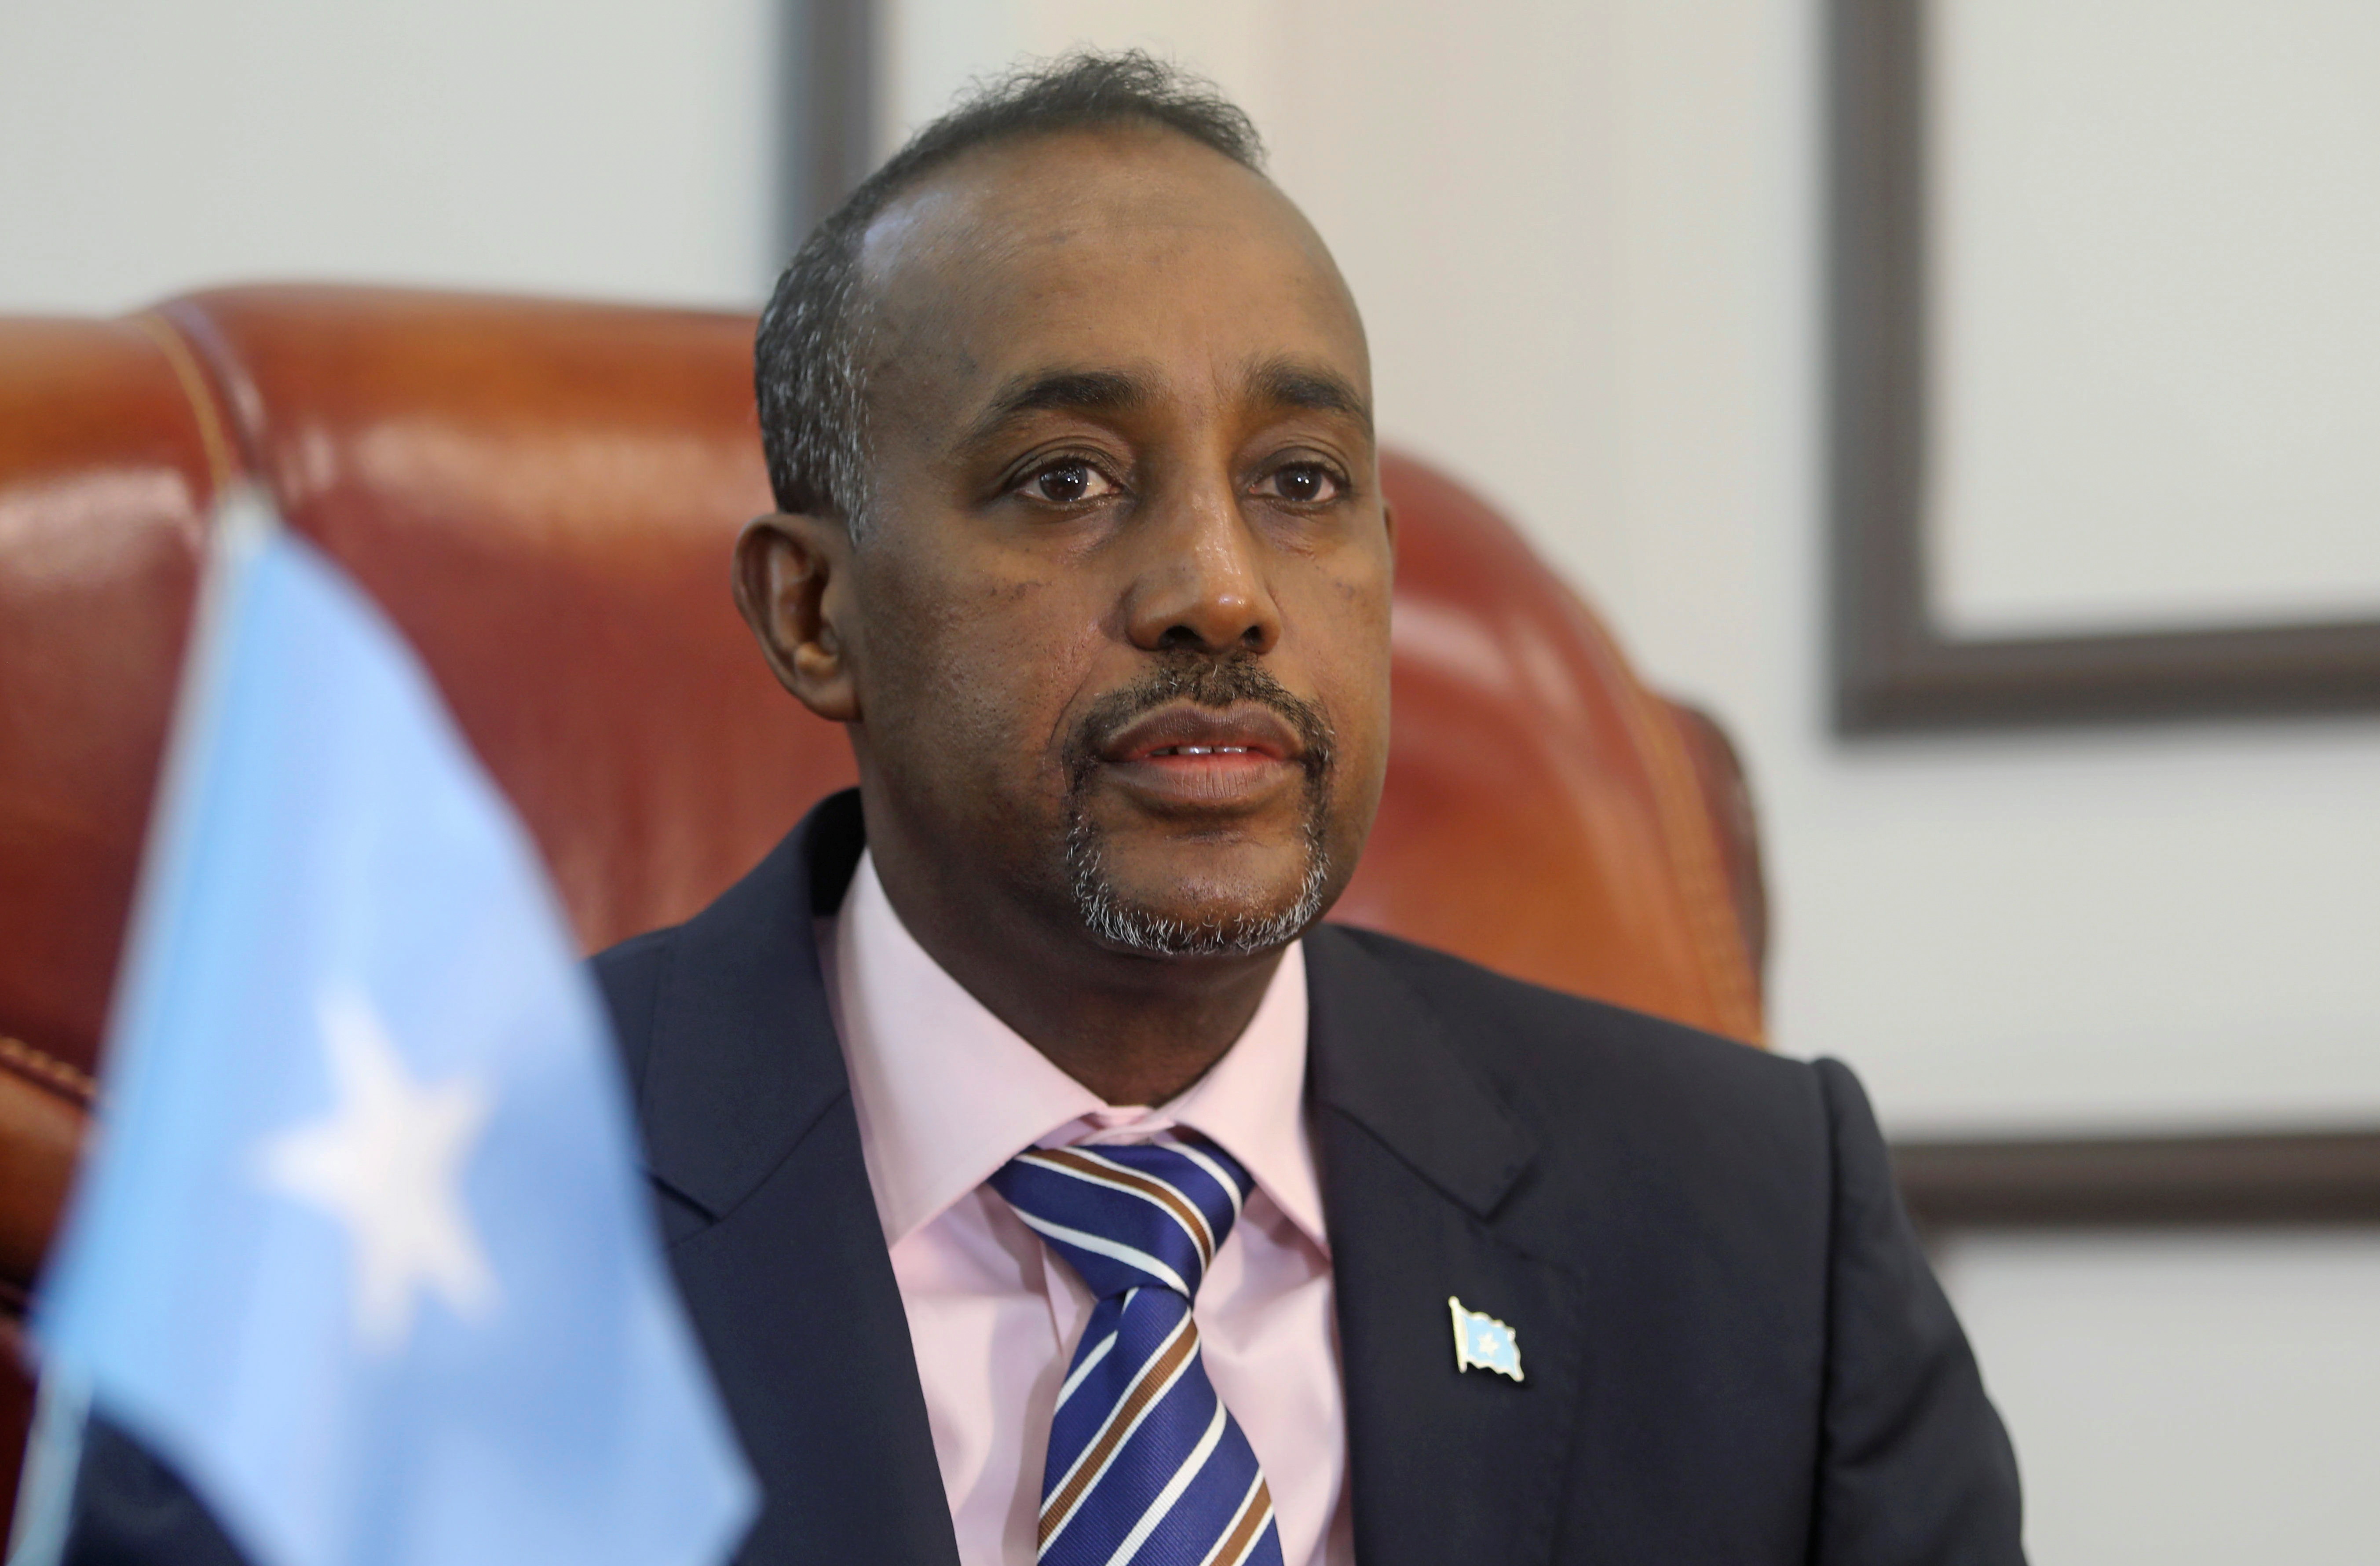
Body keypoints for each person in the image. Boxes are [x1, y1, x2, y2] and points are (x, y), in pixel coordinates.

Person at [64, 49, 2021, 1566]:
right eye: (1067, 478)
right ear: (814, 609)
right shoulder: (379, 1235)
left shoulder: (1757, 1227)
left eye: (1306, 480)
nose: (1222, 585)